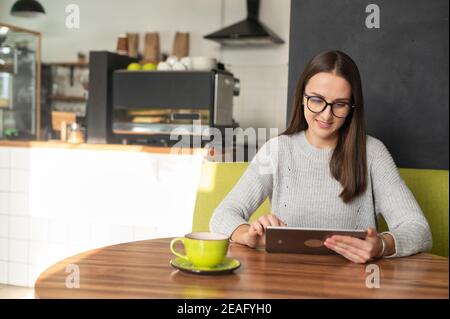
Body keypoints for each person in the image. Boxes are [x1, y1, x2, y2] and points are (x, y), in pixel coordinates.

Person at [209, 50, 432, 263]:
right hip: (283, 280)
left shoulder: (372, 153)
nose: (326, 115)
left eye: (340, 104)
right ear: (302, 97)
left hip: (354, 284)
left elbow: (418, 229)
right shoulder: (277, 150)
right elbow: (222, 216)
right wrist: (249, 235)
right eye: (316, 100)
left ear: (352, 107)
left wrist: (381, 245)